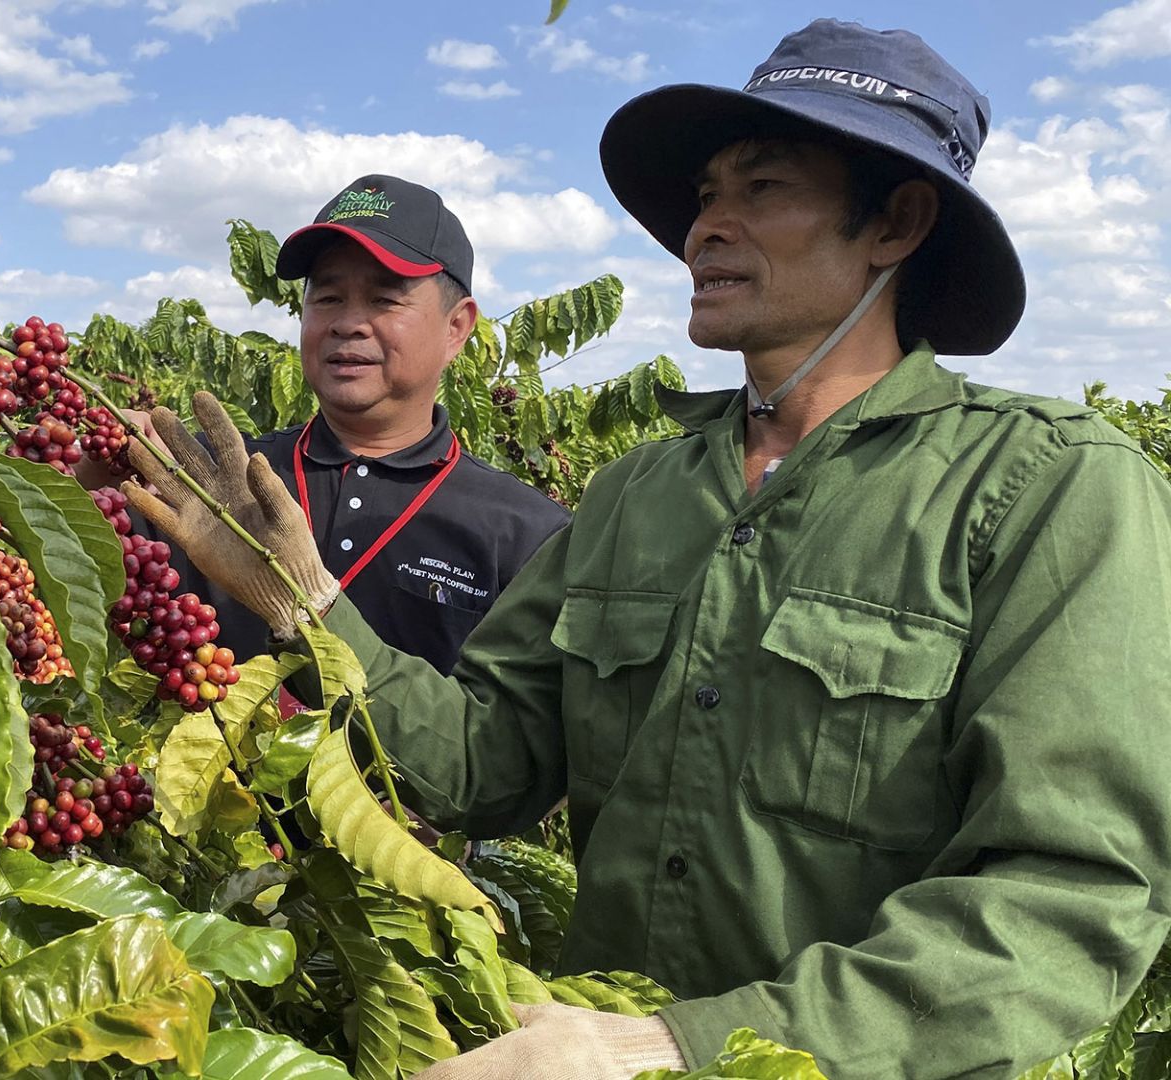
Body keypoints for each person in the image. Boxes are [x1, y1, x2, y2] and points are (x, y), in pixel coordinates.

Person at [125, 19, 1171, 1079]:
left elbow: (1074, 894)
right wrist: (301, 595)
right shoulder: (639, 495)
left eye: (760, 189)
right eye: (706, 196)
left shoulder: (1047, 488)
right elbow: (481, 766)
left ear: (896, 222)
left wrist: (676, 1047)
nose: (704, 228)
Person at [113, 175, 570, 673]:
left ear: (456, 328)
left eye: (384, 299)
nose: (347, 323)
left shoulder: (528, 533)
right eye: (327, 298)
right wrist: (94, 481)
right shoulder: (211, 479)